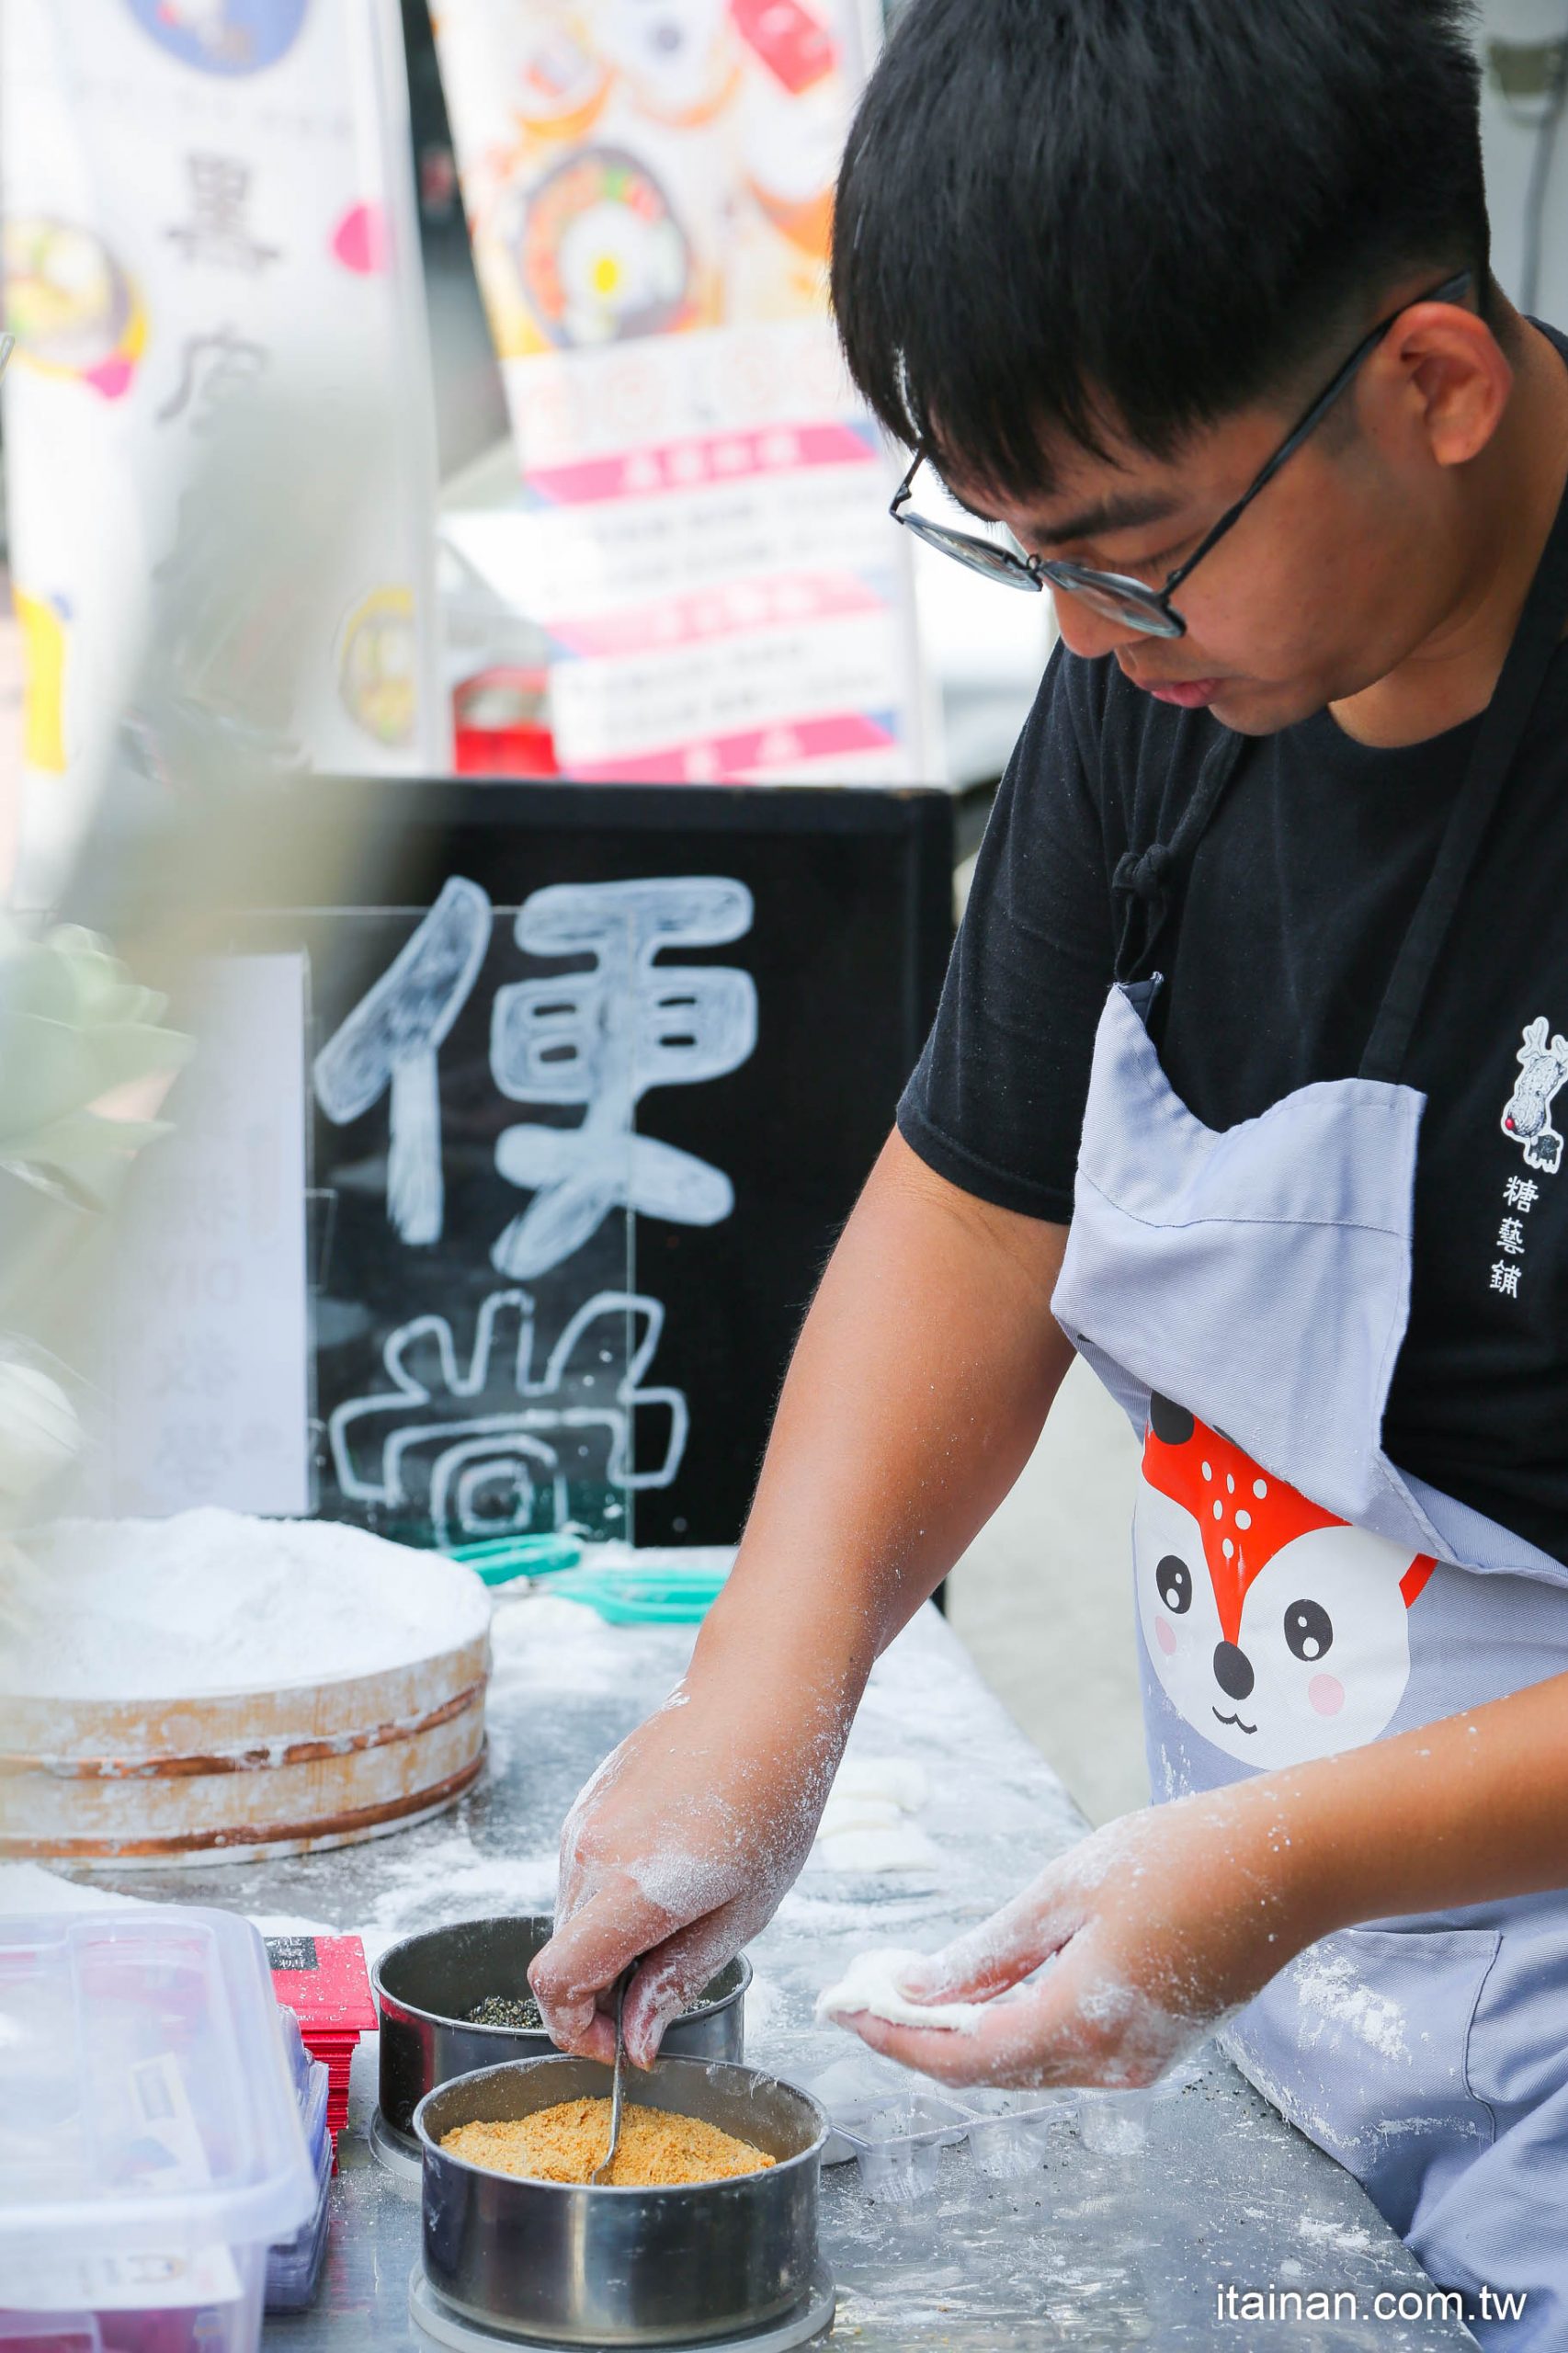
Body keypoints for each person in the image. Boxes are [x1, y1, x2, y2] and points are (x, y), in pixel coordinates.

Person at [533, 0, 1568, 2333]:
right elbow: (976, 1187)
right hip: (1282, 1938)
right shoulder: (1171, 655)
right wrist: (757, 1704)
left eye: (1123, 557)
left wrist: (1293, 1856)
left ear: (1433, 381)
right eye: (1023, 559)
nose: (1088, 636)